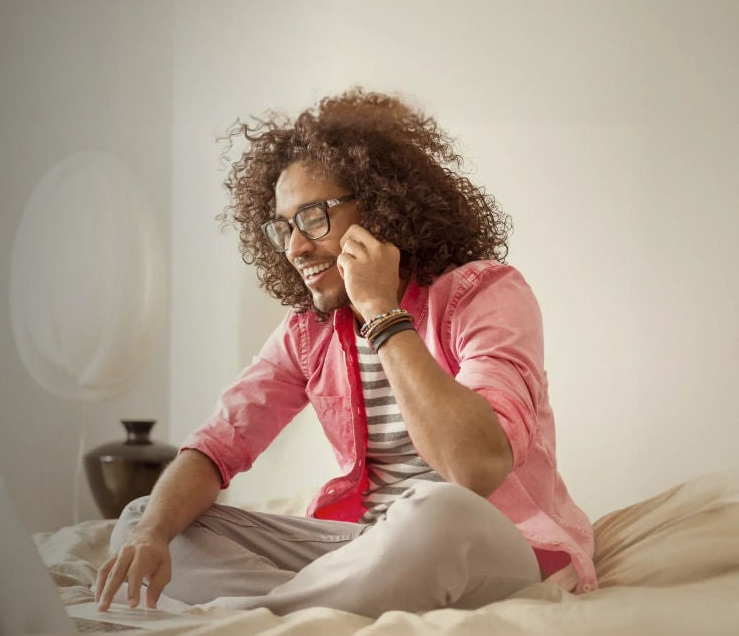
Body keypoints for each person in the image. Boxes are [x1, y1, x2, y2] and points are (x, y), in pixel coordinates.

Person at [94, 89, 595, 617]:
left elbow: (474, 468)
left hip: (488, 543)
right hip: (367, 549)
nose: (294, 248)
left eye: (313, 218)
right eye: (284, 227)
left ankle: (268, 615)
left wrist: (380, 310)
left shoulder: (484, 293)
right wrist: (152, 533)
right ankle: (313, 606)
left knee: (438, 510)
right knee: (144, 518)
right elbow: (219, 444)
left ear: (382, 205)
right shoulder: (309, 331)